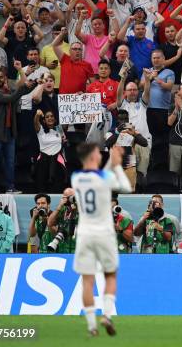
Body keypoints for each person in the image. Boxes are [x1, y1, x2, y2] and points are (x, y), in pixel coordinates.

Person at [70, 143, 132, 337]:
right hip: (105, 233)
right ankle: (106, 315)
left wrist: (110, 165)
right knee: (110, 275)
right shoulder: (106, 178)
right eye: (98, 153)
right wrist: (117, 164)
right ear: (92, 156)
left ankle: (91, 326)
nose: (100, 155)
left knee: (87, 280)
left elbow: (97, 177)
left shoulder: (76, 178)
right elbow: (127, 187)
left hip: (84, 234)